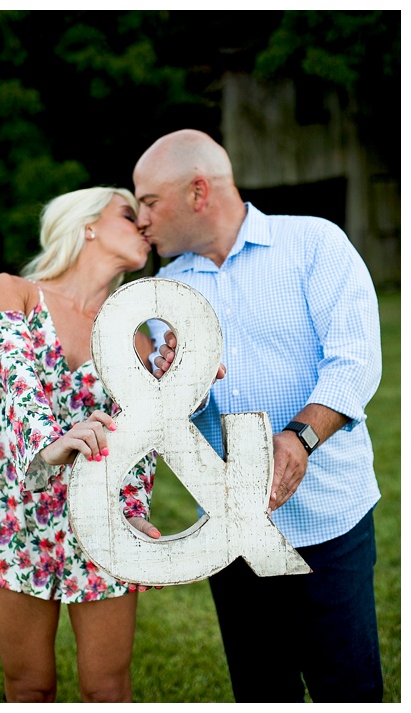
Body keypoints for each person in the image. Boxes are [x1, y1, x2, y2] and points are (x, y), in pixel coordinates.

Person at [134, 129, 382, 702]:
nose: (141, 219)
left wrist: (299, 438)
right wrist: (180, 384)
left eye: (148, 201)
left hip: (330, 518)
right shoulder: (163, 291)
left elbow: (354, 362)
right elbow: (183, 416)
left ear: (198, 192)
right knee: (261, 691)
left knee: (348, 687)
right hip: (230, 528)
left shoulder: (314, 243)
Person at [0, 186, 168, 702]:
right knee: (29, 686)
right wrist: (50, 443)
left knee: (108, 688)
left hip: (101, 518)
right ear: (87, 224)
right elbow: (16, 381)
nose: (144, 224)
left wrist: (135, 509)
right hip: (14, 513)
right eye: (128, 213)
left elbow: (139, 440)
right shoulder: (13, 292)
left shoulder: (138, 339)